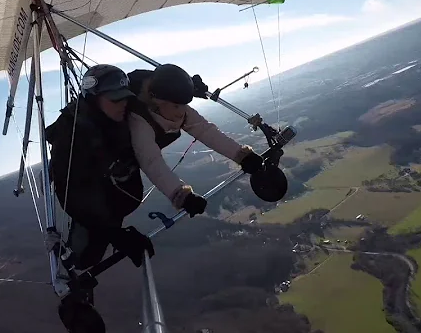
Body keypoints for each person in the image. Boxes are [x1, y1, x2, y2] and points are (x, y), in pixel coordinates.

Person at [45, 64, 155, 312]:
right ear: (94, 99)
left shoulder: (120, 112)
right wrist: (114, 234)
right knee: (86, 258)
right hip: (93, 201)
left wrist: (181, 85)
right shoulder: (71, 135)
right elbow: (74, 196)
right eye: (114, 99)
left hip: (117, 192)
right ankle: (76, 294)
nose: (122, 104)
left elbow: (141, 80)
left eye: (123, 98)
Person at [126, 64, 267, 213]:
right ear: (157, 101)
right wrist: (181, 195)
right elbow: (152, 161)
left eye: (184, 106)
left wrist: (242, 156)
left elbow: (205, 131)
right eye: (175, 107)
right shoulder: (139, 121)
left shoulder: (175, 104)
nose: (181, 112)